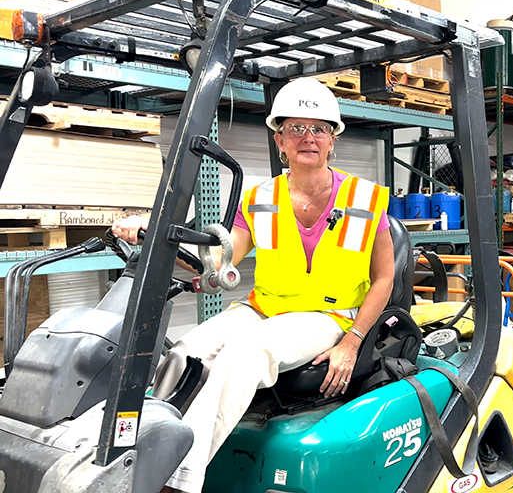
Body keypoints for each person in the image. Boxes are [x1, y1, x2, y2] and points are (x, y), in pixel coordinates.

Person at [111, 77, 394, 493]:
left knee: (244, 354)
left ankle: (175, 481)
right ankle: (135, 454)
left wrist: (352, 342)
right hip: (264, 308)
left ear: (333, 140)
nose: (308, 137)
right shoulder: (261, 196)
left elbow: (384, 276)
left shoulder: (366, 198)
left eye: (319, 128)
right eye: (296, 128)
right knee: (186, 352)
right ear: (279, 139)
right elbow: (220, 258)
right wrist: (155, 234)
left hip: (328, 316)